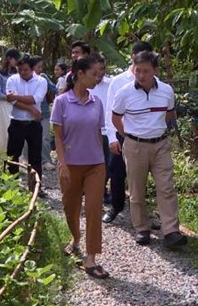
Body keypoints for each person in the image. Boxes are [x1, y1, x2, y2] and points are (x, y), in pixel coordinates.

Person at [111, 50, 187, 249]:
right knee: (137, 189)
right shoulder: (124, 93)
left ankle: (171, 231)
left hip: (160, 144)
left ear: (155, 70)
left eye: (146, 71)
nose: (141, 75)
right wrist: (127, 135)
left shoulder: (166, 91)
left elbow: (169, 114)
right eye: (138, 71)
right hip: (135, 145)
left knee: (166, 187)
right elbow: (115, 118)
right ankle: (142, 228)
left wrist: (158, 129)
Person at [51, 55, 109, 279]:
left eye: (100, 73)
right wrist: (63, 165)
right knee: (70, 207)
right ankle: (75, 239)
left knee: (94, 209)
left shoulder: (97, 102)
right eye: (94, 74)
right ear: (80, 74)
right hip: (70, 165)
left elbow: (97, 133)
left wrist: (103, 161)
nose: (98, 78)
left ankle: (91, 258)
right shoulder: (62, 102)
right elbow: (58, 137)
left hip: (95, 164)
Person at [103, 41, 155, 223]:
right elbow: (110, 111)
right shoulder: (117, 82)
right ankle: (116, 207)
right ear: (132, 57)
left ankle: (143, 215)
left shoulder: (155, 81)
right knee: (117, 172)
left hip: (145, 136)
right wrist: (112, 138)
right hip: (121, 133)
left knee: (142, 177)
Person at [5, 55, 47, 178]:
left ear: (32, 69)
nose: (22, 72)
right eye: (20, 69)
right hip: (16, 122)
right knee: (13, 155)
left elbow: (35, 99)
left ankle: (35, 187)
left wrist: (16, 97)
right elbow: (11, 101)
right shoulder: (12, 79)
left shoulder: (41, 81)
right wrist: (30, 109)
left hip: (33, 124)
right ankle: (12, 185)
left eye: (25, 70)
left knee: (35, 157)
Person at [89, 54, 113, 204]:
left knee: (109, 163)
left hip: (109, 131)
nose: (99, 73)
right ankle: (96, 191)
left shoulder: (111, 84)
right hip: (90, 132)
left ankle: (103, 189)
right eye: (96, 70)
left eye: (102, 69)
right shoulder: (84, 85)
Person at [0, 48, 21, 159]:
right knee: (5, 130)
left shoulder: (17, 73)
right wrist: (11, 97)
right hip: (4, 105)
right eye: (15, 59)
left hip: (16, 104)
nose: (17, 62)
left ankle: (15, 156)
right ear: (9, 58)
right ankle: (2, 157)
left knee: (17, 131)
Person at [36, 60, 59, 170]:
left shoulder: (43, 77)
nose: (40, 70)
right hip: (28, 112)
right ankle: (25, 159)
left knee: (45, 137)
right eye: (38, 67)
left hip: (43, 112)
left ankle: (46, 161)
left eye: (41, 67)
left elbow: (54, 89)